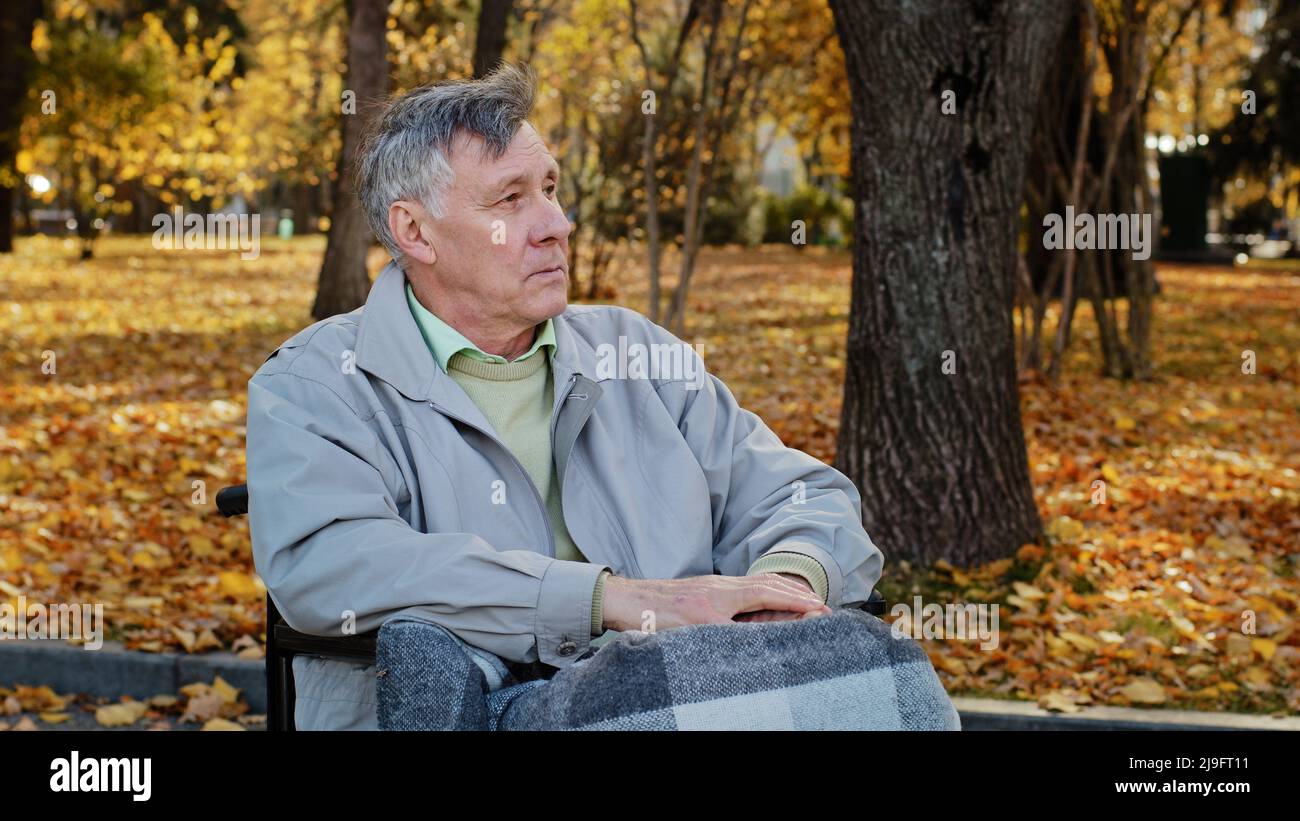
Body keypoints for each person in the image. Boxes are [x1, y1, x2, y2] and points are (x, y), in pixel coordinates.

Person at [245, 63, 884, 730]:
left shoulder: (636, 351)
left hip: (699, 693)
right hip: (495, 709)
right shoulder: (317, 384)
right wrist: (608, 600)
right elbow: (332, 563)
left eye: (549, 188)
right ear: (415, 232)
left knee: (885, 674)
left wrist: (783, 593)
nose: (558, 223)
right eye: (510, 199)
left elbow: (803, 496)